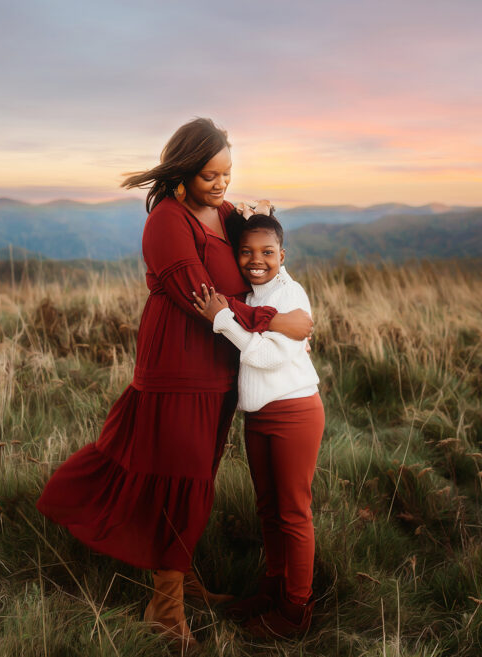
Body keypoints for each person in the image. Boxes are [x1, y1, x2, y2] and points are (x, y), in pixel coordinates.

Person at [36, 118, 314, 651]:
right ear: (183, 172)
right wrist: (278, 320)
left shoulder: (223, 213)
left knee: (198, 477)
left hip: (220, 367)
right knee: (180, 479)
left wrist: (262, 217)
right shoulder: (167, 219)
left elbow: (257, 244)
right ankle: (165, 610)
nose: (221, 184)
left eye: (227, 173)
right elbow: (200, 296)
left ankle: (182, 578)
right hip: (178, 366)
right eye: (210, 174)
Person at [193, 212, 325, 639]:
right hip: (259, 416)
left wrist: (222, 321)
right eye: (246, 252)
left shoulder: (292, 297)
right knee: (268, 510)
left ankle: (295, 610)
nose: (257, 260)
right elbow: (253, 336)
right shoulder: (248, 297)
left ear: (282, 256)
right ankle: (273, 588)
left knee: (293, 513)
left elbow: (267, 357)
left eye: (267, 252)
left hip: (295, 414)